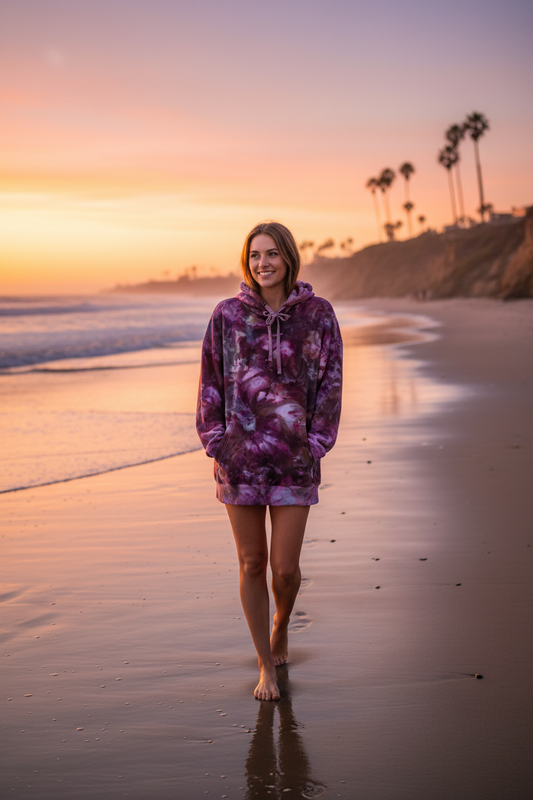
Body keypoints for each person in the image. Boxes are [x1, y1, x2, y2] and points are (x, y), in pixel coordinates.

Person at [196, 221, 343, 701]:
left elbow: (330, 381)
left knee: (284, 569)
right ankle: (265, 663)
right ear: (247, 261)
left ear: (289, 259)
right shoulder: (226, 315)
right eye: (255, 255)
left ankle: (281, 623)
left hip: (293, 460)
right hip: (239, 460)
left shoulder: (318, 315)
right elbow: (211, 380)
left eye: (272, 254)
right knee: (252, 561)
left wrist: (316, 442)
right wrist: (217, 441)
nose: (263, 263)